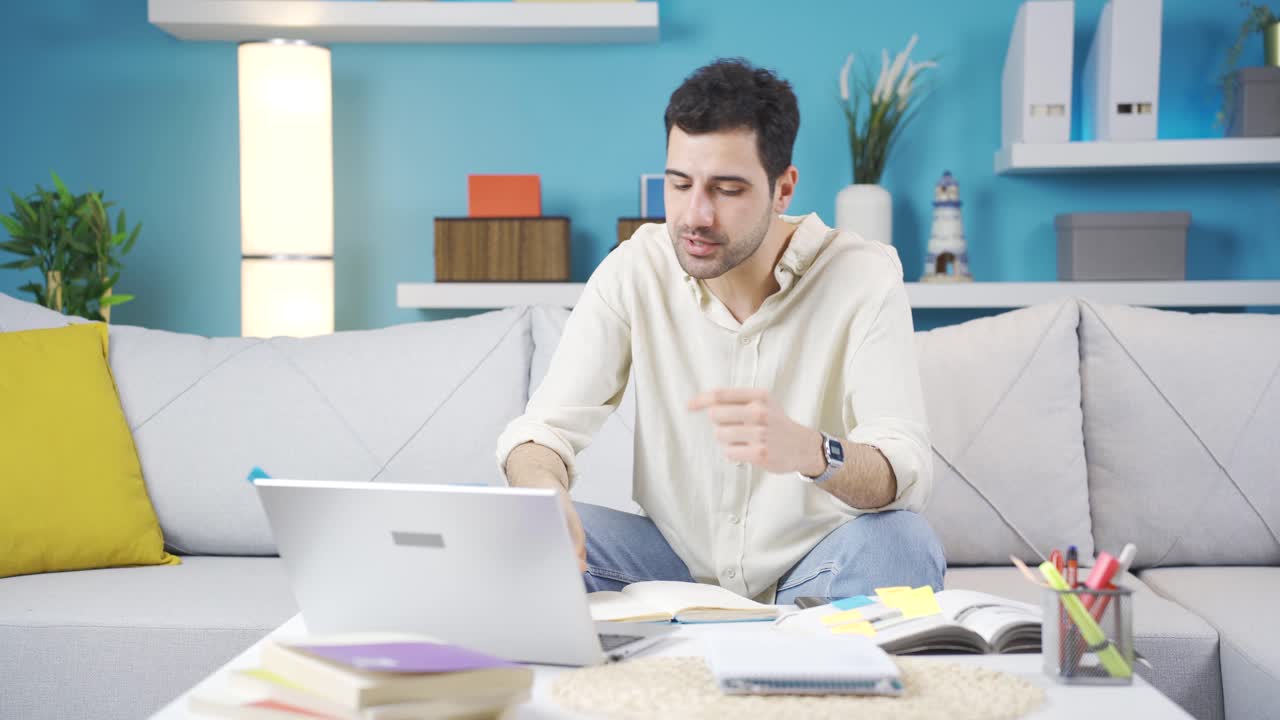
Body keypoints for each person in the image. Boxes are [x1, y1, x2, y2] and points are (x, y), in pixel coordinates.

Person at [496, 58, 944, 604]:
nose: (695, 215)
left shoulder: (863, 276)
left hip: (814, 571)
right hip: (667, 567)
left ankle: (814, 668)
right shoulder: (635, 269)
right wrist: (544, 492)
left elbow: (903, 467)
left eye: (726, 190)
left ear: (783, 189)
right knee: (494, 524)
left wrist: (812, 451)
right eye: (680, 184)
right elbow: (543, 432)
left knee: (903, 543)